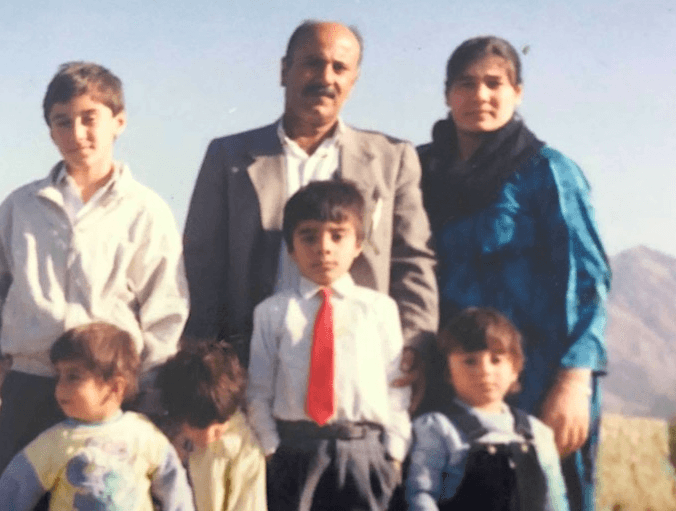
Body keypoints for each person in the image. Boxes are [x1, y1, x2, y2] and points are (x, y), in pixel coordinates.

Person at [0, 61, 189, 510]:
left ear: (118, 122)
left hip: (112, 400)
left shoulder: (146, 211)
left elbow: (166, 310)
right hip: (32, 389)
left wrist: (142, 392)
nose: (78, 133)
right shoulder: (23, 207)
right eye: (63, 121)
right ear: (50, 131)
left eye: (89, 118)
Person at [182, 20, 438, 391]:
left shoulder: (391, 158)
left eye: (339, 68)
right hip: (253, 370)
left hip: (360, 375)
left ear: (354, 79)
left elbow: (412, 261)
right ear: (284, 71)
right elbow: (202, 264)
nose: (326, 77)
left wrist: (416, 344)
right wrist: (206, 363)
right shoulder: (229, 157)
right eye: (312, 63)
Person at [418, 36, 610, 511]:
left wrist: (573, 382)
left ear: (517, 92)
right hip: (444, 378)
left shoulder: (548, 172)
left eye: (493, 83)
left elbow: (587, 282)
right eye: (466, 83)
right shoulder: (418, 169)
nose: (479, 95)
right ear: (446, 94)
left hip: (536, 381)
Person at [246, 180, 410, 511]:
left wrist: (394, 451)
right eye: (308, 236)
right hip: (295, 453)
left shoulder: (378, 309)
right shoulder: (272, 313)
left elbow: (396, 387)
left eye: (337, 235)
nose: (324, 247)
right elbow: (258, 390)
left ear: (358, 243)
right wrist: (271, 448)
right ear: (290, 248)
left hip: (365, 451)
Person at [0, 323, 195, 511]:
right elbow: (15, 490)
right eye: (59, 376)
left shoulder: (143, 434)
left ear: (115, 388)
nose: (61, 387)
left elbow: (173, 484)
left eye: (73, 377)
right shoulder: (55, 442)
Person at [406, 308, 569, 511]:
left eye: (496, 360)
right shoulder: (437, 428)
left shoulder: (538, 433)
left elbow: (555, 501)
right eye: (470, 361)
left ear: (515, 370)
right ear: (448, 372)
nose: (485, 370)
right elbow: (421, 494)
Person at [156, 341, 266, 511]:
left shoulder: (244, 452)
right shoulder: (157, 440)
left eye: (219, 426)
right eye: (200, 427)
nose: (211, 435)